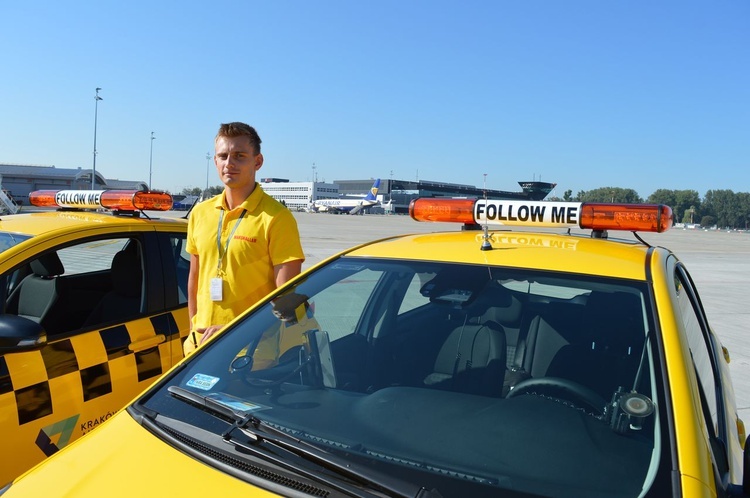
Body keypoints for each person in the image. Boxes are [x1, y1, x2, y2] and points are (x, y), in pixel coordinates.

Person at [184, 122, 304, 355]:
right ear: (215, 161)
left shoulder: (276, 218)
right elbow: (194, 278)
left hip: (251, 354)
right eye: (223, 156)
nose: (229, 163)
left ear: (257, 162)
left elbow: (285, 298)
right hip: (201, 347)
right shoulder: (200, 213)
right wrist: (192, 327)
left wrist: (234, 332)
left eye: (239, 156)